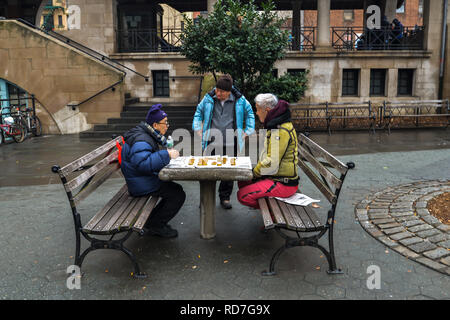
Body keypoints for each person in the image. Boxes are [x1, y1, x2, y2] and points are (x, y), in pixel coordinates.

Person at [120, 104, 185, 238]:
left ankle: (153, 222)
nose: (167, 126)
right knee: (177, 194)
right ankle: (156, 225)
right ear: (155, 125)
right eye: (165, 123)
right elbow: (142, 163)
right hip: (140, 184)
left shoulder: (145, 135)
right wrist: (166, 155)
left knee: (174, 189)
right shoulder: (142, 140)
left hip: (140, 179)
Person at [193, 74, 255, 209]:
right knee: (207, 171)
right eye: (217, 90)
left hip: (230, 141)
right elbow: (199, 112)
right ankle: (205, 198)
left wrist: (248, 130)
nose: (218, 93)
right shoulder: (208, 98)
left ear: (229, 91)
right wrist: (198, 128)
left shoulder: (240, 100)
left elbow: (250, 113)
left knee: (228, 171)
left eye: (222, 92)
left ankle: (225, 197)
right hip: (211, 141)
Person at [237, 94, 299, 209]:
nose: (256, 112)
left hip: (284, 183)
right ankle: (269, 206)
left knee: (243, 195)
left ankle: (273, 213)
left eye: (258, 109)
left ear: (267, 110)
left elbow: (271, 162)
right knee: (243, 181)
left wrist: (254, 173)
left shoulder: (280, 130)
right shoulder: (274, 125)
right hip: (274, 176)